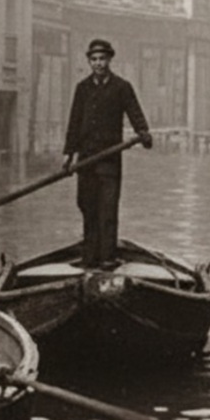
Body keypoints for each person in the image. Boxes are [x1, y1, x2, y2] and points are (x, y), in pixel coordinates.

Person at [61, 39, 152, 269]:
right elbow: (74, 122)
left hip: (109, 160)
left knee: (108, 210)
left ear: (109, 60)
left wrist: (143, 132)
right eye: (94, 59)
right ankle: (89, 257)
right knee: (87, 207)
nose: (98, 63)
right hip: (86, 160)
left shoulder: (121, 87)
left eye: (102, 59)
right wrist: (68, 153)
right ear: (89, 62)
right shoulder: (82, 88)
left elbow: (134, 112)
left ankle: (107, 258)